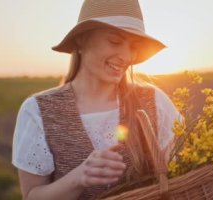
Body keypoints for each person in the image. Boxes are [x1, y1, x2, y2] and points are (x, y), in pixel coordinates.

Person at [12, 0, 181, 199]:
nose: (126, 56)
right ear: (82, 40)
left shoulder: (155, 101)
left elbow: (183, 175)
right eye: (115, 41)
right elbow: (32, 196)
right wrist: (78, 178)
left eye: (133, 46)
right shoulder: (38, 111)